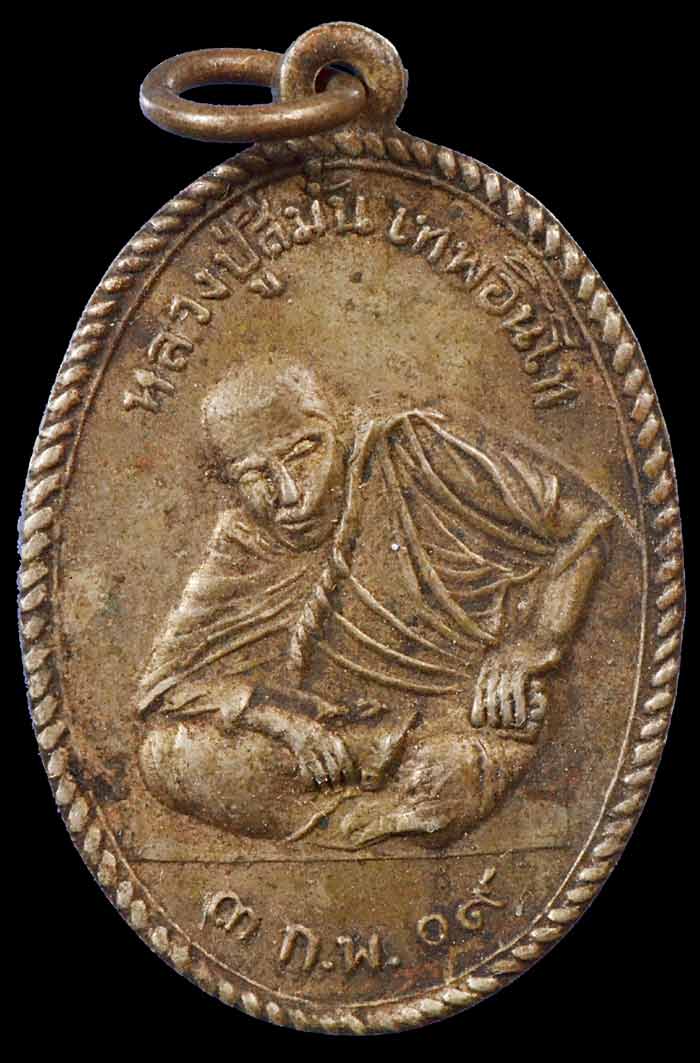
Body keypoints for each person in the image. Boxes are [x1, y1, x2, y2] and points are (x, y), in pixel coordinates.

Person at [137, 362, 612, 849]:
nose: (289, 495)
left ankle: (392, 810)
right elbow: (164, 687)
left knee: (451, 767)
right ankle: (384, 818)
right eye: (254, 475)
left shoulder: (418, 453)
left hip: (449, 728)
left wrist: (533, 645)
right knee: (166, 756)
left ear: (342, 430)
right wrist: (287, 725)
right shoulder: (245, 539)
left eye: (303, 453)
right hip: (335, 743)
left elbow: (586, 526)